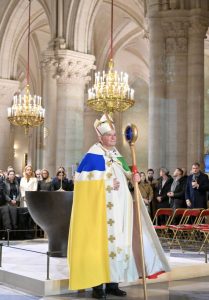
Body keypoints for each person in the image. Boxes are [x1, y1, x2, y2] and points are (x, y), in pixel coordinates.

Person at [67, 114, 170, 299]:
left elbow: (128, 173)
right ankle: (98, 287)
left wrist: (134, 177)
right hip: (100, 212)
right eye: (110, 135)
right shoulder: (93, 155)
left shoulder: (116, 154)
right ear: (100, 137)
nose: (114, 137)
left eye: (115, 134)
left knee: (119, 244)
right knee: (100, 246)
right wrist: (107, 182)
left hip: (121, 208)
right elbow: (82, 181)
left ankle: (113, 283)